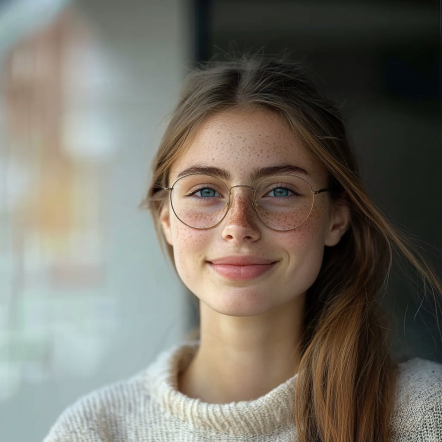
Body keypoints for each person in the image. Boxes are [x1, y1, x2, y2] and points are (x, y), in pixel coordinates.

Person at [43, 57, 442, 442]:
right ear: (166, 218)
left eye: (281, 191)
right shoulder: (95, 431)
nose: (238, 226)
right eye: (204, 191)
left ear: (336, 219)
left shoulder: (425, 415)